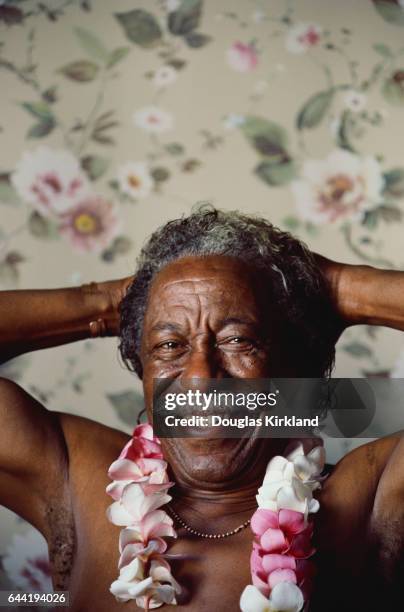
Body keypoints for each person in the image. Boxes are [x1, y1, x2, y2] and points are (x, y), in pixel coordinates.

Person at [0, 206, 403, 612]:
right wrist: (104, 304)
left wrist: (342, 289)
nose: (200, 377)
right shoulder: (77, 479)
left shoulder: (368, 500)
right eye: (170, 345)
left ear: (295, 369)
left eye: (237, 340)